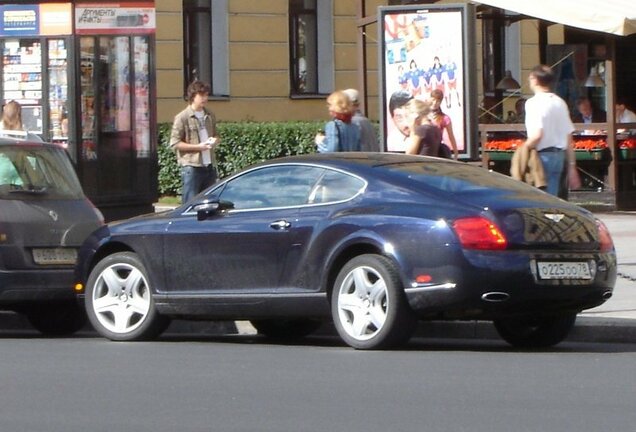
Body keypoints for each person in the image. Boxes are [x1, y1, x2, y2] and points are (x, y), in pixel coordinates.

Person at [523, 64, 580, 196]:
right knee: (552, 198)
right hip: (559, 156)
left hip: (541, 156)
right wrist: (572, 166)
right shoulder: (560, 102)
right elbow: (568, 137)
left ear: (534, 79)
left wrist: (523, 149)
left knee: (538, 198)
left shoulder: (533, 103)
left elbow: (537, 135)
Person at [169, 80, 220, 203]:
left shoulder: (209, 115)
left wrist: (214, 141)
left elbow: (216, 135)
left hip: (209, 166)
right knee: (190, 203)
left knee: (209, 203)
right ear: (193, 97)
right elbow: (175, 143)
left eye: (206, 95)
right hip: (192, 166)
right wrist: (198, 147)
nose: (205, 98)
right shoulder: (183, 117)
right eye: (201, 95)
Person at [429, 89, 459, 159]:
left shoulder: (444, 118)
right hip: (424, 148)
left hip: (437, 150)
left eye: (438, 101)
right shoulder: (423, 115)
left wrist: (456, 152)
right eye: (433, 100)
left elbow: (451, 135)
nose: (435, 103)